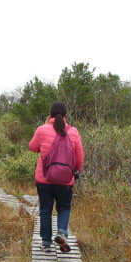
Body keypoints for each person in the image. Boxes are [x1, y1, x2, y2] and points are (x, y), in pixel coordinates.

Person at [28, 102, 84, 253]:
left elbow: (32, 147)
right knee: (64, 207)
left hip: (44, 179)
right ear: (65, 115)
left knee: (45, 209)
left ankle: (46, 242)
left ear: (50, 115)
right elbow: (79, 155)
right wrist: (78, 170)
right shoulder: (73, 132)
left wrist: (44, 128)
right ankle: (61, 233)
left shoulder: (42, 130)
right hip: (65, 179)